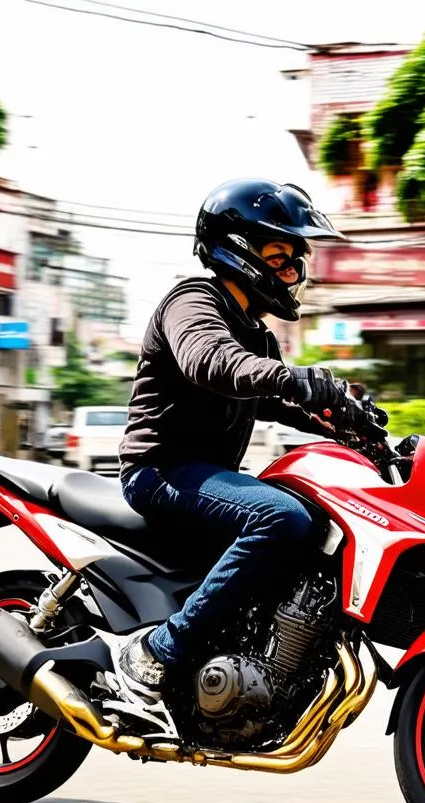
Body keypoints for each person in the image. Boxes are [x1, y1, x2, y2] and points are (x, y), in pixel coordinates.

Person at [114, 178, 367, 715]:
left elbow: (279, 400)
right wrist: (296, 379)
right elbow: (213, 362)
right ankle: (160, 652)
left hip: (203, 475)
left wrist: (352, 423)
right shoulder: (191, 302)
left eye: (295, 257)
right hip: (161, 469)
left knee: (320, 522)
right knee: (282, 518)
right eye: (278, 255)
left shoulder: (257, 334)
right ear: (238, 249)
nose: (291, 271)